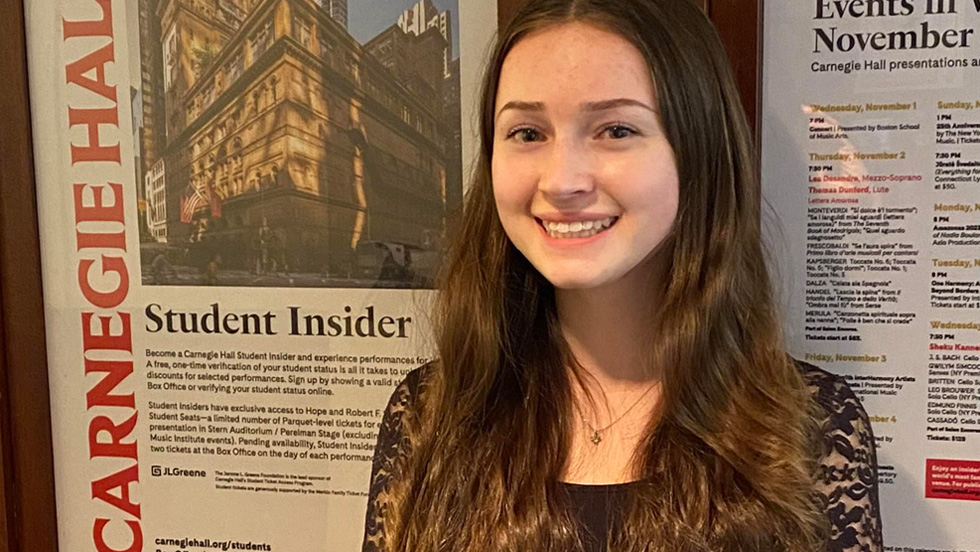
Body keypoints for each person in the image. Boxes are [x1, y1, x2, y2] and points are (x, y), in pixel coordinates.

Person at [362, 0, 882, 550]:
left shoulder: (811, 429)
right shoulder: (431, 414)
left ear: (698, 150)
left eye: (614, 129)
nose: (562, 181)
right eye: (528, 133)